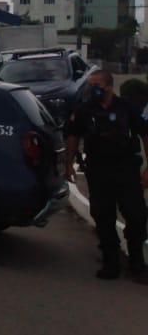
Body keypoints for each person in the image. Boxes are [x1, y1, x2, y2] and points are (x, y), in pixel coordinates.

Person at [64, 70, 148, 280]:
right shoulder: (85, 110)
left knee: (136, 216)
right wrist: (69, 163)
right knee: (103, 217)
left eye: (97, 84)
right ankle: (111, 262)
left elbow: (145, 135)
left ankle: (137, 264)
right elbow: (73, 135)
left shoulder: (126, 108)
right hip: (98, 170)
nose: (92, 88)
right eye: (90, 84)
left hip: (126, 170)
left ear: (109, 86)